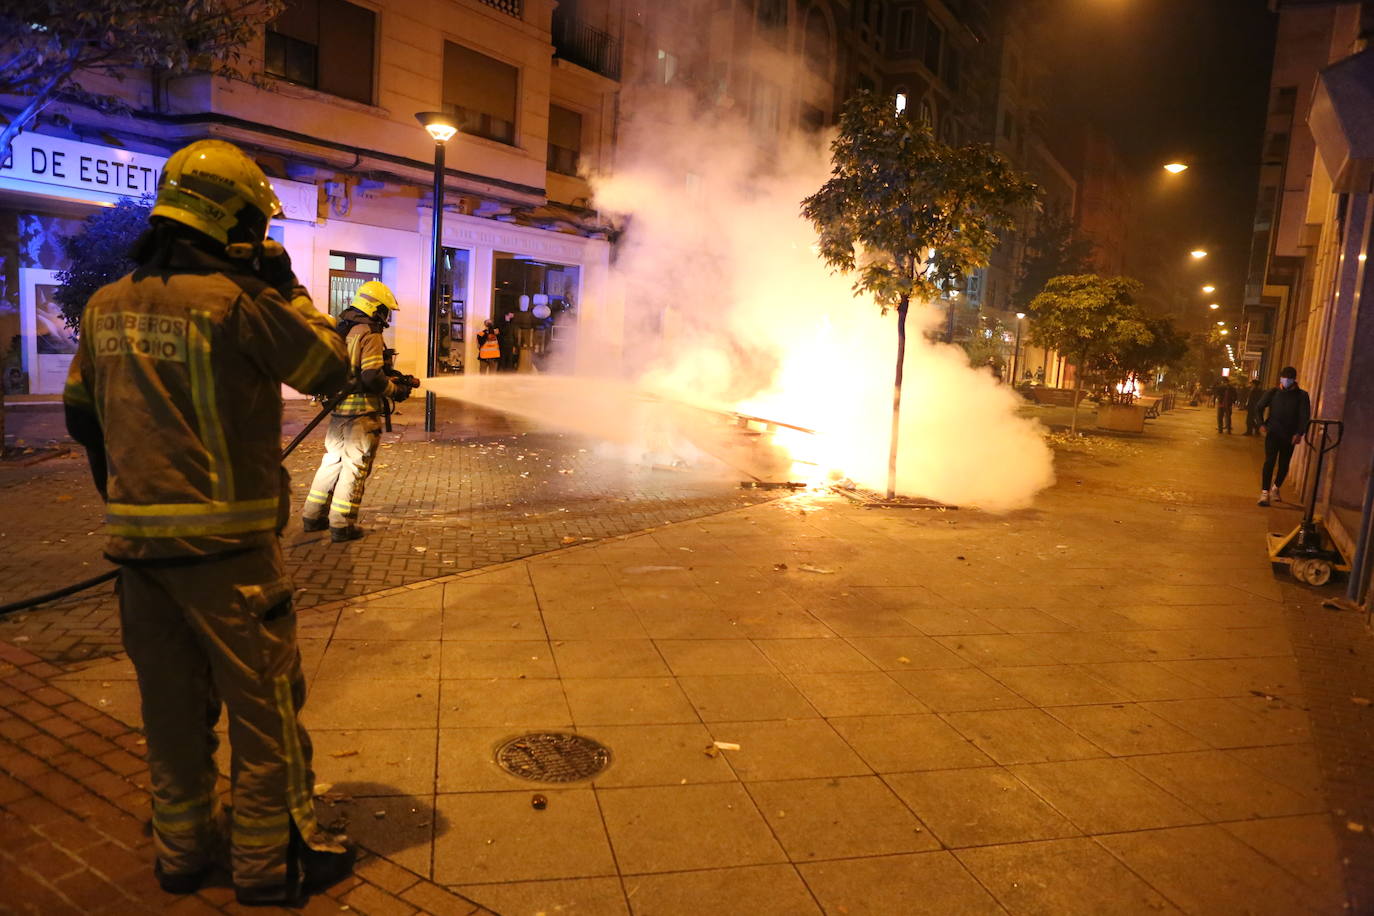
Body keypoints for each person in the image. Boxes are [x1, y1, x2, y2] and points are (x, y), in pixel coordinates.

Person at [62, 139, 355, 905]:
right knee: (267, 721)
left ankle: (181, 854)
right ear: (234, 220)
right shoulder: (239, 303)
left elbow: (80, 418)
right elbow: (329, 367)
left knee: (171, 714)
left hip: (138, 559)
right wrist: (289, 288)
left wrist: (134, 506)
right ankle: (268, 868)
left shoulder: (105, 306)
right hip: (230, 564)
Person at [302, 280, 415, 542]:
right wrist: (395, 391)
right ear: (375, 307)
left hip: (337, 408)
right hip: (361, 412)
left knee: (332, 461)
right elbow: (372, 377)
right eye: (384, 310)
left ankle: (312, 516)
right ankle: (342, 526)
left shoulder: (342, 329)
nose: (385, 317)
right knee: (355, 466)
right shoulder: (370, 332)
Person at [1255, 366, 1311, 506]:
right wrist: (1261, 424)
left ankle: (1276, 488)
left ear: (1294, 379)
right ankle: (1264, 493)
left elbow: (1304, 416)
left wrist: (1299, 433)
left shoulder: (1302, 396)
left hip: (1289, 436)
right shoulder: (1273, 393)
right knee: (1269, 462)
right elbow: (1259, 407)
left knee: (1284, 464)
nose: (1286, 380)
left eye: (1289, 377)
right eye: (1284, 377)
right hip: (1273, 433)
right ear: (1280, 377)